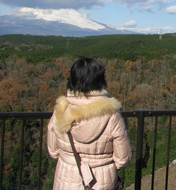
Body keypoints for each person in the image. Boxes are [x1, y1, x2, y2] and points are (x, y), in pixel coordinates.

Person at [47, 57, 132, 190]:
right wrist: (104, 166)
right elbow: (123, 158)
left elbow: (53, 151)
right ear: (100, 80)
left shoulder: (61, 109)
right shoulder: (111, 114)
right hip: (101, 180)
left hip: (66, 177)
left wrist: (69, 160)